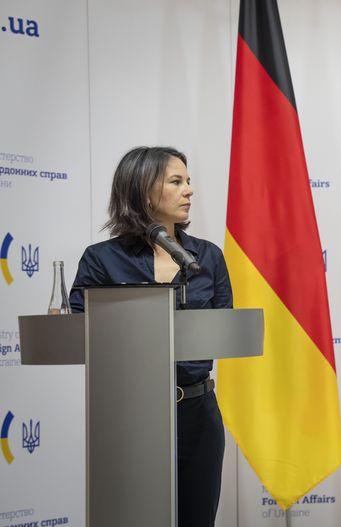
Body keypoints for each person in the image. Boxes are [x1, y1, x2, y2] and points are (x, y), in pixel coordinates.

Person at [69, 146, 231, 527]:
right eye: (176, 182)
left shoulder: (207, 257)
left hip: (198, 413)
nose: (189, 190)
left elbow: (225, 328)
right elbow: (77, 331)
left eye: (188, 181)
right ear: (143, 191)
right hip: (129, 415)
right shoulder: (101, 259)